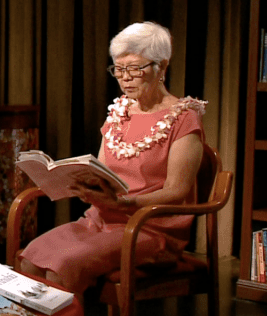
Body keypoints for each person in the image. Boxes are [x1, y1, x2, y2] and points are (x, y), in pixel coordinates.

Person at [19, 21, 206, 296]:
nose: (125, 78)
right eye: (119, 69)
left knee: (63, 265)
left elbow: (177, 191)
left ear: (162, 67)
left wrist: (124, 202)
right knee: (29, 258)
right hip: (101, 218)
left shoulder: (183, 118)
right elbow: (101, 170)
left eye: (134, 68)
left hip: (149, 227)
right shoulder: (119, 113)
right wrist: (83, 186)